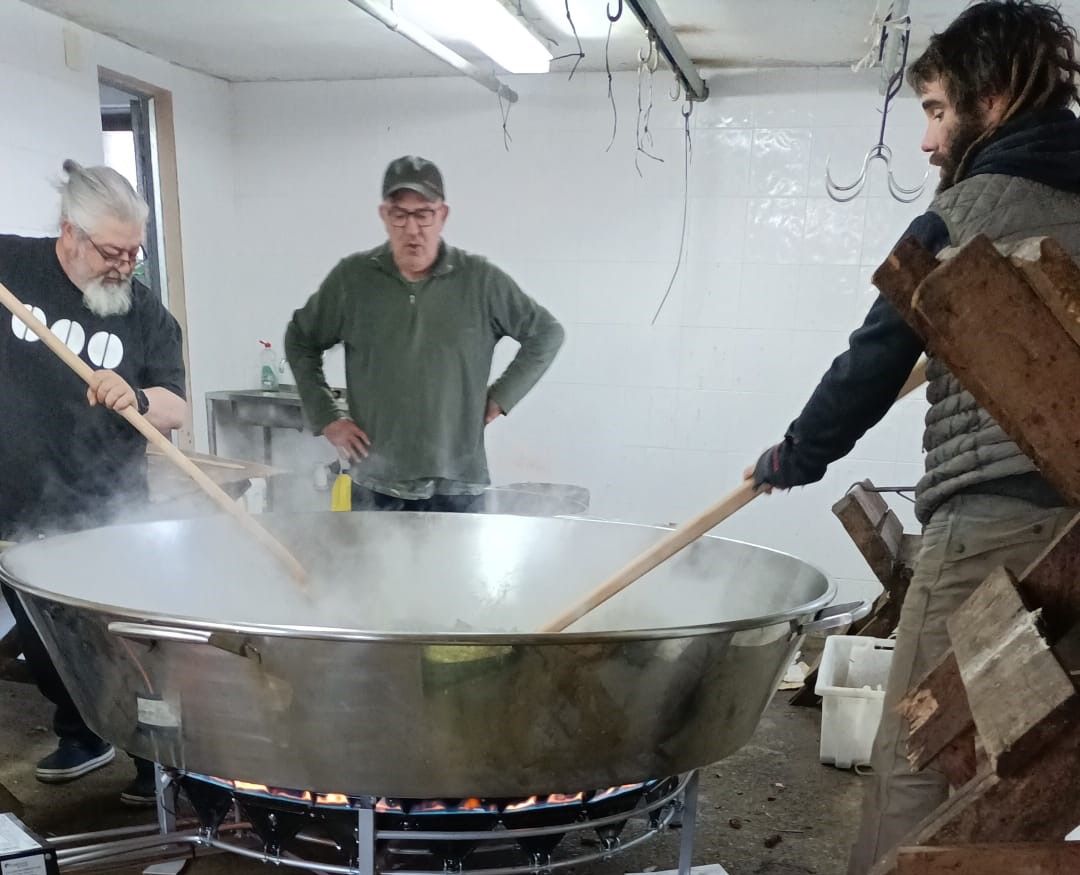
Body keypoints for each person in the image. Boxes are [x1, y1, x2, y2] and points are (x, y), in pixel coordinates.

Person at [745, 3, 1080, 872]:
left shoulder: (962, 213)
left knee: (918, 758)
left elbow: (869, 363)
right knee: (1034, 762)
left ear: (991, 101)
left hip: (990, 529)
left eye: (936, 110)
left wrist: (793, 455)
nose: (929, 141)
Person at [0, 160, 187, 805]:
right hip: (17, 502)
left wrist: (138, 396)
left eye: (135, 252)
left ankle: (153, 761)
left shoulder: (144, 313)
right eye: (112, 252)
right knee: (42, 636)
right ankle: (82, 734)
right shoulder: (12, 266)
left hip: (105, 507)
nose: (125, 266)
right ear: (69, 233)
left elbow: (175, 408)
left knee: (121, 645)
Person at [285, 155, 564, 511]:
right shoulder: (352, 280)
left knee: (458, 552)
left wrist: (501, 397)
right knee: (369, 552)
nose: (412, 229)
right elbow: (301, 339)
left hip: (459, 483)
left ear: (442, 215)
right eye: (400, 215)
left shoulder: (480, 281)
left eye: (423, 214)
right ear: (384, 215)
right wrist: (326, 416)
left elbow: (546, 333)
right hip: (375, 482)